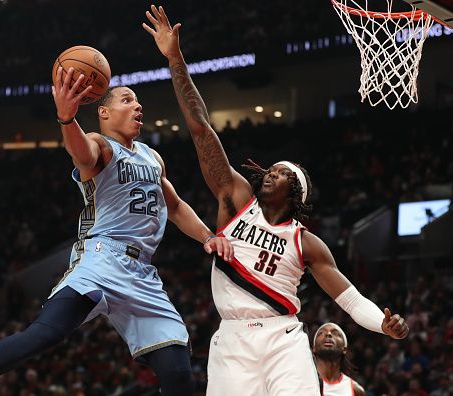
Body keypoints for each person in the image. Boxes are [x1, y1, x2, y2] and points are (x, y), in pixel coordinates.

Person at [142, 5, 409, 395]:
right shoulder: (235, 201)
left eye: (281, 172)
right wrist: (175, 59)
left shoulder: (306, 242)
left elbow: (349, 298)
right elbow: (201, 129)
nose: (270, 173)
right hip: (232, 339)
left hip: (283, 337)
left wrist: (382, 324)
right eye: (271, 169)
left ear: (296, 192)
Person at [0, 64, 234, 396]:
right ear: (103, 112)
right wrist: (66, 119)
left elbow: (173, 206)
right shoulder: (99, 145)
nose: (138, 106)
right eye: (128, 100)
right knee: (45, 334)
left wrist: (208, 236)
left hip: (142, 273)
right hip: (102, 259)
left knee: (177, 371)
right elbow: (80, 153)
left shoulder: (151, 157)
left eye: (138, 102)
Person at [313, 322, 366, 396]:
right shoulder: (301, 381)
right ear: (314, 348)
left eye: (335, 333)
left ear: (344, 349)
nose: (328, 334)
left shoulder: (356, 390)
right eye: (321, 333)